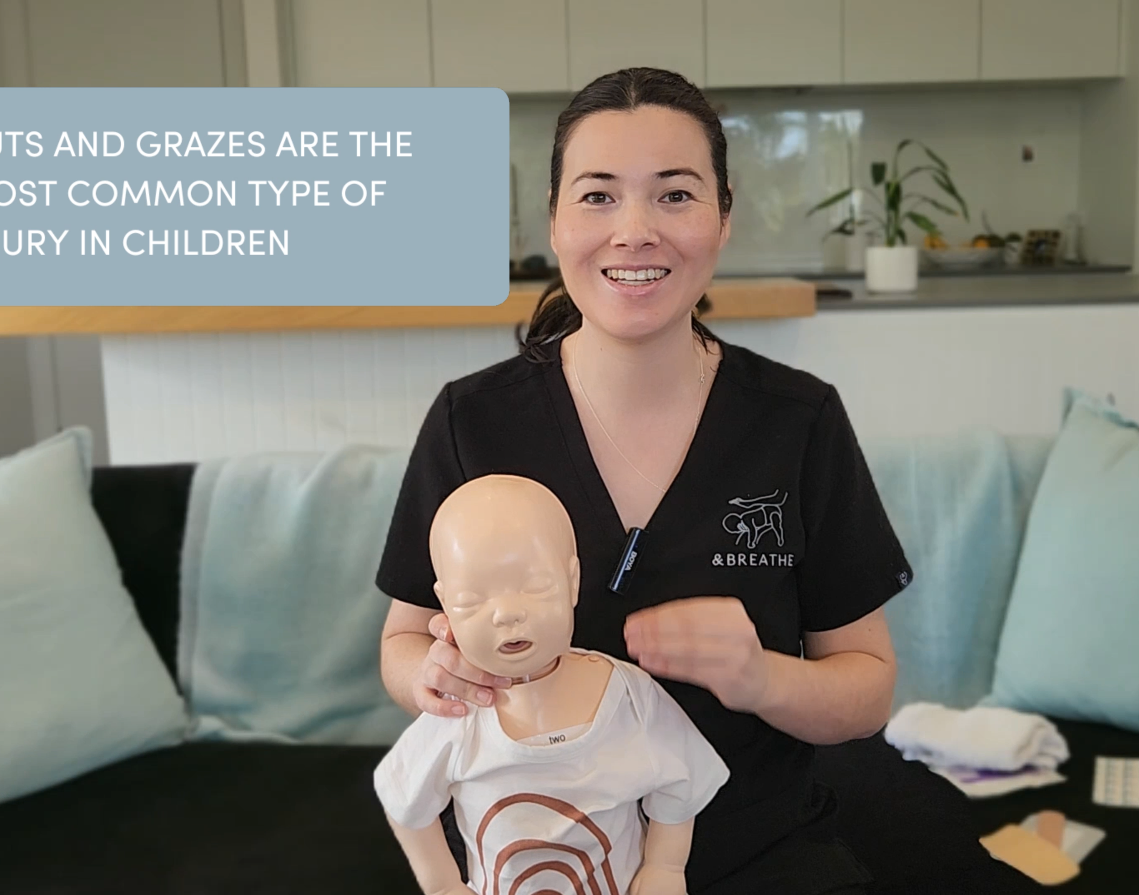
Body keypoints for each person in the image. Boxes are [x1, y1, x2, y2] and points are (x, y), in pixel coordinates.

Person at [376, 67, 1033, 895]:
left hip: (758, 845)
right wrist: (433, 678)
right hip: (535, 857)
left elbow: (864, 692)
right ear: (555, 218)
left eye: (675, 195)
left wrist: (760, 675)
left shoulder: (796, 420)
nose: (635, 230)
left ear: (724, 217)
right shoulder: (471, 421)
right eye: (598, 196)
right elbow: (402, 644)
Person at [374, 473, 729, 895]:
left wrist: (665, 867)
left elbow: (682, 778)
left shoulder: (628, 696)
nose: (505, 613)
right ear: (446, 604)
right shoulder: (461, 711)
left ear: (572, 581)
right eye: (472, 600)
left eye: (535, 586)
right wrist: (444, 885)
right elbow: (402, 799)